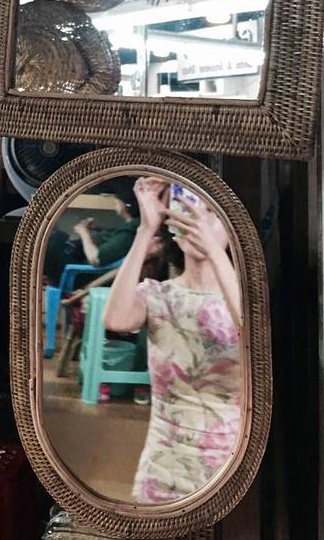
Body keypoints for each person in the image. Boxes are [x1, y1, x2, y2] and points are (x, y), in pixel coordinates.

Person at [104, 176, 242, 504]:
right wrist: (145, 229)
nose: (197, 221)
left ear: (232, 227)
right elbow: (116, 320)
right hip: (162, 464)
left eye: (212, 213)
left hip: (230, 469)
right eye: (188, 209)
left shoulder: (246, 298)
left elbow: (256, 339)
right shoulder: (158, 295)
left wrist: (215, 252)